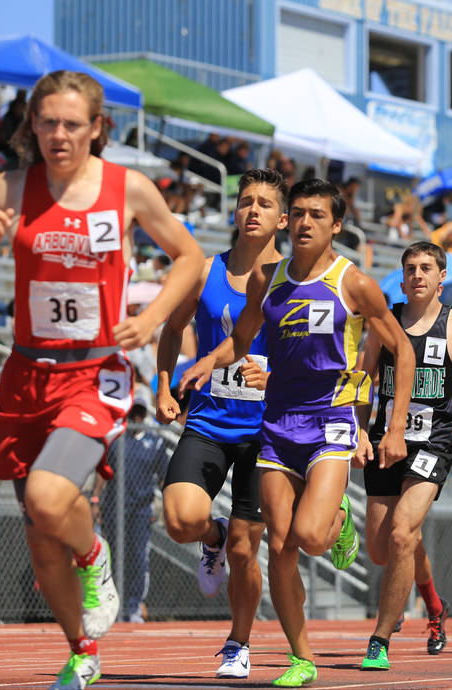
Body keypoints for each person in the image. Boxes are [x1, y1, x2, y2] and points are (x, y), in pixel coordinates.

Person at [0, 70, 203, 690]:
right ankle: (82, 649)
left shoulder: (128, 189)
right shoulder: (7, 187)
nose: (59, 134)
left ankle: (95, 557)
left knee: (49, 499)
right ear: (31, 125)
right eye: (48, 122)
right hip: (26, 372)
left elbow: (190, 257)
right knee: (39, 538)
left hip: (93, 372)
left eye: (72, 124)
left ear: (97, 128)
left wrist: (152, 317)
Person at [179, 178, 415, 688]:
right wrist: (204, 363)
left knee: (310, 537)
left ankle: (337, 517)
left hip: (329, 421)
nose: (306, 223)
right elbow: (241, 340)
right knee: (280, 546)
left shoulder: (354, 283)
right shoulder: (269, 279)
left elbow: (404, 349)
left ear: (337, 225)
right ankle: (301, 656)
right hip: (277, 425)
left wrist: (393, 427)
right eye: (300, 213)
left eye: (318, 215)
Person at [156, 168, 286, 679]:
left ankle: (239, 641)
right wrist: (164, 387)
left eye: (265, 204)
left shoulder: (293, 279)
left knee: (246, 549)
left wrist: (270, 374)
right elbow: (171, 330)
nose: (253, 210)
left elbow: (313, 354)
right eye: (246, 201)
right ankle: (210, 537)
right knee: (180, 519)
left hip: (265, 431)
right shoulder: (206, 270)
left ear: (280, 219)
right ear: (235, 211)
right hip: (209, 421)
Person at [356, 241, 452, 669]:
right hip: (385, 441)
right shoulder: (384, 322)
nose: (417, 275)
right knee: (384, 549)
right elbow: (364, 378)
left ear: (441, 277)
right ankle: (435, 605)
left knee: (401, 534)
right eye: (410, 268)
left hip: (433, 443)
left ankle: (379, 639)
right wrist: (359, 429)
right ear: (401, 276)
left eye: (426, 268)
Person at [92, 387, 169, 624]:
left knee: (138, 558)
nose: (136, 415)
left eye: (140, 411)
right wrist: (95, 499)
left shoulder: (154, 443)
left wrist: (164, 507)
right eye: (133, 410)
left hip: (140, 510)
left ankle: (133, 606)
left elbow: (164, 479)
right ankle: (111, 605)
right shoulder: (116, 439)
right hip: (115, 508)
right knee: (112, 558)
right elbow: (103, 472)